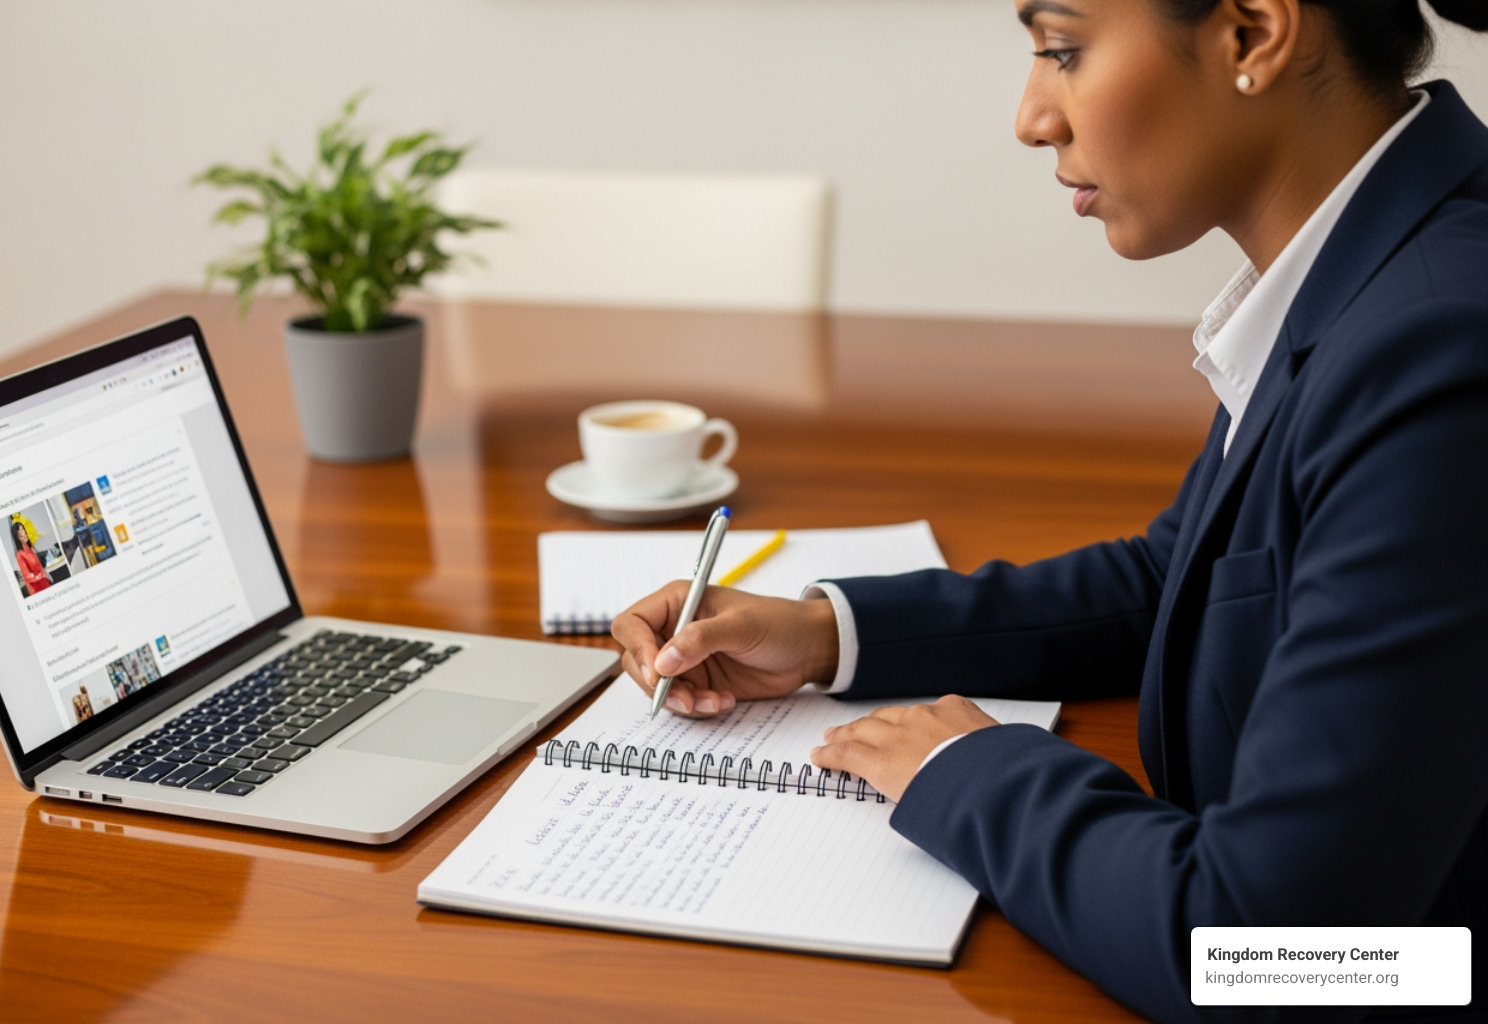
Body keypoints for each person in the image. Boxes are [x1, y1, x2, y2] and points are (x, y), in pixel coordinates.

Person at [612, 1, 1488, 1020]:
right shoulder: (1373, 268)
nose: (1032, 116)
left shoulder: (1439, 346)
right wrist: (827, 634)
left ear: (1252, 34)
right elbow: (1185, 576)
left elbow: (1274, 956)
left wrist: (968, 769)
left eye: (1063, 51)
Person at [10, 519, 52, 595]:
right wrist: (40, 576)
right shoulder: (20, 555)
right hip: (37, 590)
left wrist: (44, 574)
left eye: (23, 530)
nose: (24, 533)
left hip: (45, 584)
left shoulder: (30, 549)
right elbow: (28, 577)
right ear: (17, 537)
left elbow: (39, 567)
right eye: (20, 532)